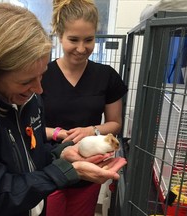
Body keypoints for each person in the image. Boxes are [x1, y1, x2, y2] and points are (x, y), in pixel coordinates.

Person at [0, 3, 127, 216]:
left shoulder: (29, 99)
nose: (39, 88)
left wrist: (63, 153)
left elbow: (34, 155)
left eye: (41, 75)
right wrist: (65, 171)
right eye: (25, 81)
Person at [41, 0, 128, 215]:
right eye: (73, 40)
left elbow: (115, 123)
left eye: (89, 40)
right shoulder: (41, 75)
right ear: (60, 36)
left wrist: (93, 130)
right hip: (48, 167)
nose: (81, 48)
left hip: (89, 169)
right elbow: (27, 128)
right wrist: (60, 134)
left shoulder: (106, 76)